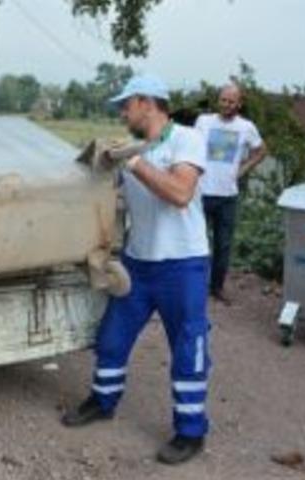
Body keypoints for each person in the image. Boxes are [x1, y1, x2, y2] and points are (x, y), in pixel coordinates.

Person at [62, 74, 212, 465]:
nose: (121, 113)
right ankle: (103, 401)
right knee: (112, 337)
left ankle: (190, 432)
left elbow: (180, 193)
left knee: (188, 346)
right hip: (138, 261)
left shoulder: (186, 139)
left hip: (183, 263)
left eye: (125, 105)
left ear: (147, 102)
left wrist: (133, 161)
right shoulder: (135, 148)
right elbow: (107, 193)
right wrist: (95, 160)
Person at [195, 84, 267, 305]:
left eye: (231, 101)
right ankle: (195, 286)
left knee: (223, 245)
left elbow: (261, 150)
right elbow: (191, 148)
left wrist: (242, 170)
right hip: (201, 192)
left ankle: (217, 287)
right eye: (223, 100)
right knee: (196, 242)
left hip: (227, 195)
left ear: (239, 104)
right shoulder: (203, 121)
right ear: (219, 100)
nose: (226, 104)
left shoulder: (246, 127)